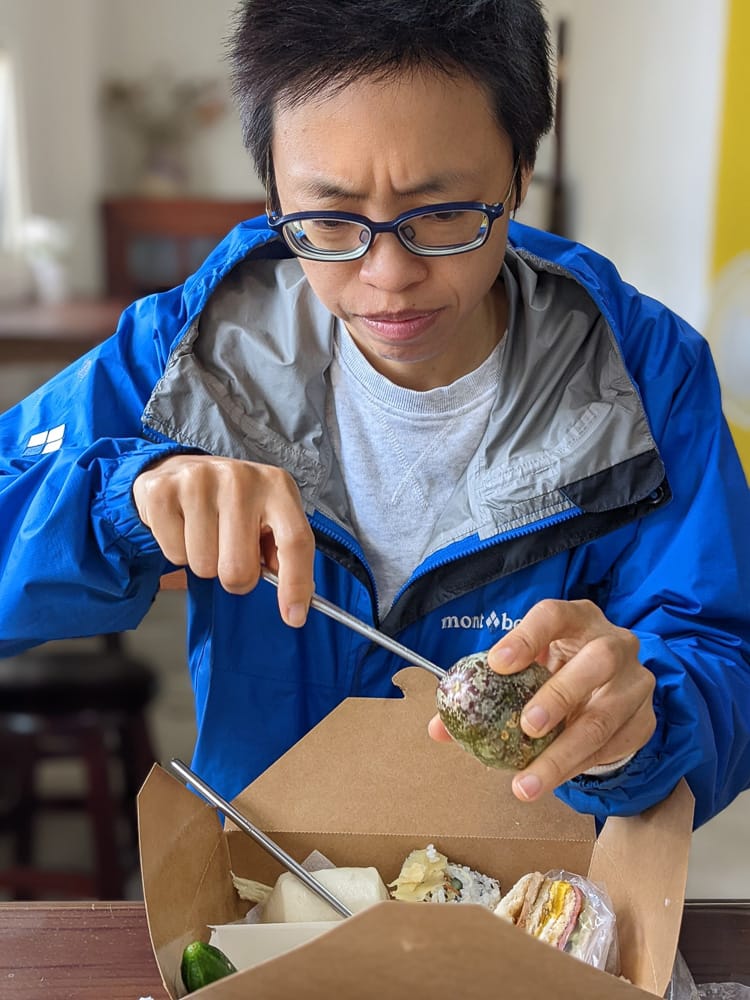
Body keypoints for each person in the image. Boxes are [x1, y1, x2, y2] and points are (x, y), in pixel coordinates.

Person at [0, 0, 748, 830]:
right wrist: (122, 504)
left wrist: (636, 725)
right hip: (263, 901)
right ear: (274, 190)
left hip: (537, 918)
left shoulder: (641, 372)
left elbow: (723, 655)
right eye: (327, 219)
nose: (387, 276)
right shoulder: (191, 356)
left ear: (517, 178)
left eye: (442, 214)